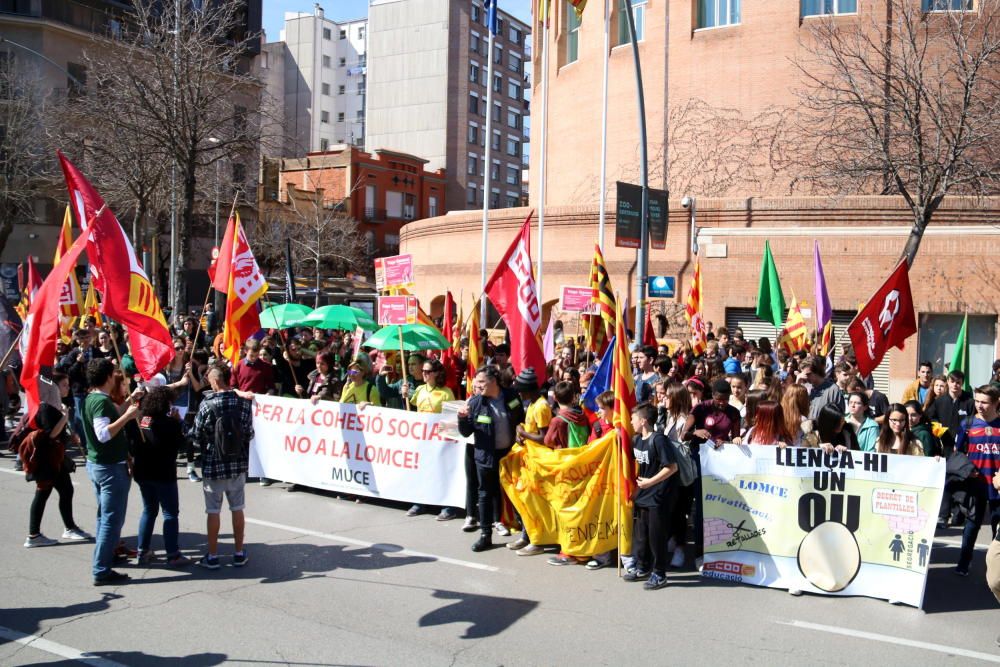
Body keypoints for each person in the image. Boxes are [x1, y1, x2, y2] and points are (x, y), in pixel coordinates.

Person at [83, 358, 142, 586]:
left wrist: (129, 402)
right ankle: (101, 569)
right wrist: (128, 417)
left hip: (100, 465)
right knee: (110, 521)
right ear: (108, 377)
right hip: (109, 468)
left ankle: (106, 559)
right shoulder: (99, 401)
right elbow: (103, 434)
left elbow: (112, 413)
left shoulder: (95, 398)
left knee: (104, 517)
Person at [192, 365, 254, 569]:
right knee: (237, 509)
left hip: (213, 464)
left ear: (216, 380)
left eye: (209, 378)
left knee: (213, 511)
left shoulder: (207, 404)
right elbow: (249, 434)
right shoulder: (243, 404)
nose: (208, 381)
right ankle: (238, 553)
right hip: (237, 464)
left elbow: (196, 434)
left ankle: (212, 555)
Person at [458, 366, 524, 552]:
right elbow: (465, 432)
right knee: (485, 494)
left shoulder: (511, 396)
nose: (477, 385)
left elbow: (520, 416)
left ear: (493, 381)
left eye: (481, 382)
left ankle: (528, 532)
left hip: (510, 456)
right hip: (486, 457)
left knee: (518, 492)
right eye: (476, 381)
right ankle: (485, 535)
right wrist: (462, 418)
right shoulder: (476, 403)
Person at [134, 387, 191, 567]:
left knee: (149, 510)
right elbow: (183, 445)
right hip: (164, 473)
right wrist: (179, 422)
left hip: (143, 472)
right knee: (170, 513)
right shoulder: (169, 423)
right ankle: (172, 554)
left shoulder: (143, 421)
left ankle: (142, 551)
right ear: (165, 404)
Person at [21, 403, 92, 547]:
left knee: (66, 491)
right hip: (46, 460)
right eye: (63, 385)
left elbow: (57, 434)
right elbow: (51, 434)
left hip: (55, 458)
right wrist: (65, 417)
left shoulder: (53, 406)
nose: (66, 389)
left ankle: (69, 528)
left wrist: (68, 438)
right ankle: (33, 535)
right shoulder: (46, 408)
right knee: (42, 494)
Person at [624, 402, 678, 590]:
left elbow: (671, 467)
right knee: (641, 534)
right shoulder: (636, 440)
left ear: (644, 421)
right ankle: (642, 566)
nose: (631, 421)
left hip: (658, 495)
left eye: (634, 418)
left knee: (656, 535)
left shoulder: (659, 440)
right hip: (643, 494)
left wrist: (650, 482)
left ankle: (660, 573)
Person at [953, 385, 1000, 577]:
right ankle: (964, 563)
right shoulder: (968, 424)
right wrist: (965, 470)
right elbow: (958, 453)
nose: (979, 405)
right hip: (976, 485)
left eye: (984, 402)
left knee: (998, 530)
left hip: (998, 487)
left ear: (997, 403)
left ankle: (995, 568)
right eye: (977, 401)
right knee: (971, 525)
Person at [405, 359, 457, 521]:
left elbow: (451, 418)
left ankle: (448, 507)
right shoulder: (420, 389)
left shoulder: (446, 392)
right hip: (422, 438)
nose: (424, 374)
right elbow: (412, 403)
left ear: (436, 373)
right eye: (423, 372)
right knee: (422, 470)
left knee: (441, 471)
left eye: (427, 372)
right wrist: (405, 393)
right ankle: (420, 502)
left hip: (439, 439)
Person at [927, 370, 975, 437]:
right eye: (952, 382)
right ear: (948, 382)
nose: (955, 384)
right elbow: (931, 417)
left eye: (958, 382)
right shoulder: (939, 401)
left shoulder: (970, 402)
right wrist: (938, 429)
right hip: (944, 442)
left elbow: (972, 423)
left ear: (962, 383)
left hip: (963, 443)